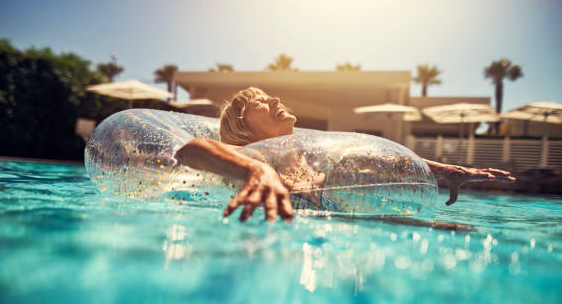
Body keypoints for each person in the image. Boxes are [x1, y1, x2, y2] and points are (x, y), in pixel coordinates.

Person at [175, 87, 515, 222]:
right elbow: (192, 149)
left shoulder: (308, 155)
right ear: (243, 129)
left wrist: (444, 170)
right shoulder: (249, 154)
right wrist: (256, 171)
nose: (275, 100)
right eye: (259, 103)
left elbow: (371, 160)